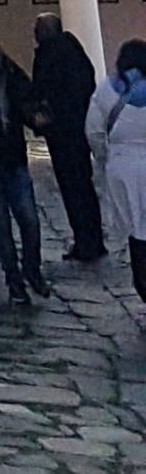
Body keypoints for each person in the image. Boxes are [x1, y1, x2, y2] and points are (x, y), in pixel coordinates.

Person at [0, 30, 50, 301]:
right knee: (1, 226)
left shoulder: (11, 75)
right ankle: (14, 279)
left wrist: (36, 117)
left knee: (29, 219)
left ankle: (32, 270)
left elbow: (26, 102)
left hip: (13, 157)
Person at [30, 14, 105, 262]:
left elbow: (43, 90)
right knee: (84, 185)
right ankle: (95, 240)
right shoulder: (75, 51)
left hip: (62, 132)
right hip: (78, 127)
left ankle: (85, 242)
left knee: (72, 188)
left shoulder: (48, 55)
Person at [87, 38, 146, 310]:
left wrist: (103, 158)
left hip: (121, 166)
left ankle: (143, 279)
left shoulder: (106, 90)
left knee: (136, 227)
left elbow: (94, 132)